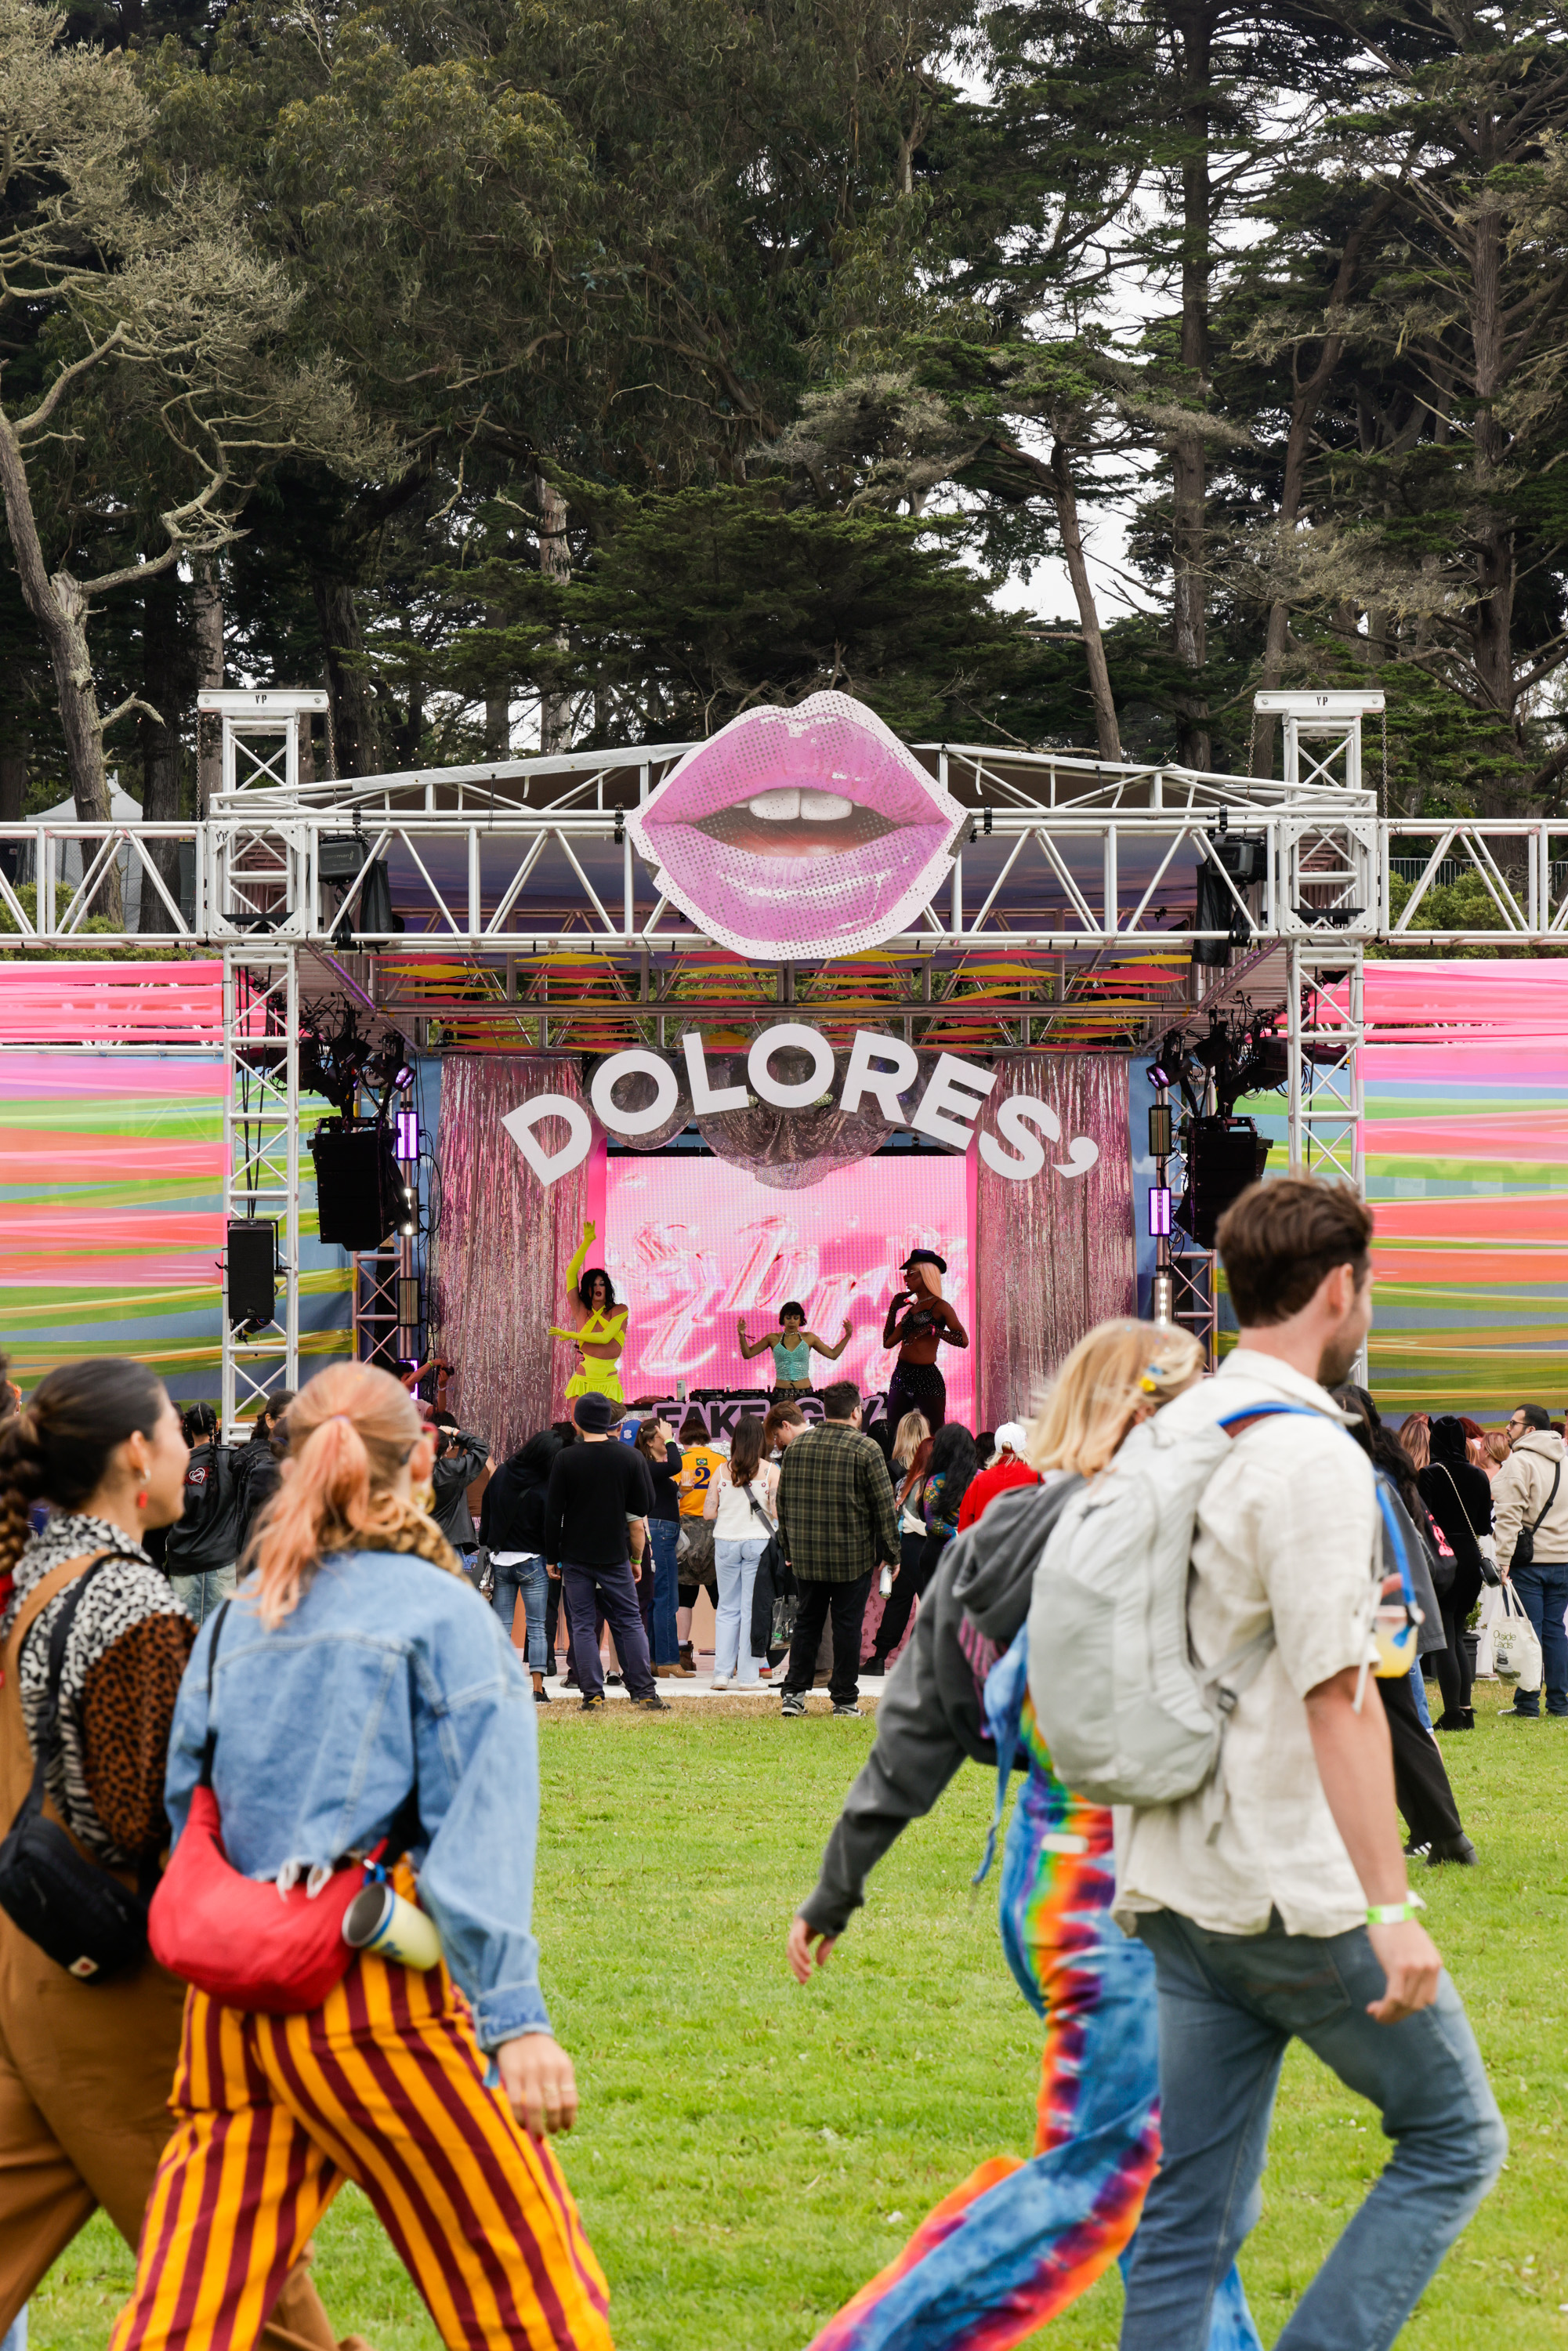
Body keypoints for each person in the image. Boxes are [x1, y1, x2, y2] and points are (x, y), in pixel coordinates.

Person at [109, 1360, 614, 2351]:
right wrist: (516, 2023)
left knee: (185, 2319)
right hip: (378, 2000)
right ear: (424, 1461)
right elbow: (480, 1840)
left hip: (233, 2013)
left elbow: (185, 1821)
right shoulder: (448, 1620)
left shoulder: (231, 1626)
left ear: (288, 1468)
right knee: (534, 2306)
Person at [788, 1321, 1265, 2351]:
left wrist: (837, 1885)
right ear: (1149, 1414)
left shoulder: (987, 1537)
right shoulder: (1143, 1534)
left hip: (1051, 1884)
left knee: (1165, 2187)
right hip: (1127, 1895)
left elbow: (919, 1727)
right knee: (1106, 2172)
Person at [1114, 1176, 1505, 2351]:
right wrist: (1389, 1904)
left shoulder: (1169, 1428)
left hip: (1176, 1872)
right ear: (1340, 1289)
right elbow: (1341, 1701)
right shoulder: (1313, 1456)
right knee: (1455, 2137)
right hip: (1290, 1882)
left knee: (1189, 2213)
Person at [0, 1360, 350, 2351]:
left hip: (33, 1965)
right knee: (245, 2276)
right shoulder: (124, 1600)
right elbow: (137, 1820)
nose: (195, 1452)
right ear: (133, 1455)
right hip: (116, 1989)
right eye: (177, 1431)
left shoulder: (43, 1572)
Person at [1334, 1390, 1478, 1865]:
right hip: (1391, 1614)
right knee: (1401, 1724)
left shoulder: (1359, 1479)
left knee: (1402, 1723)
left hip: (1377, 1616)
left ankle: (1441, 1834)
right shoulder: (1382, 1472)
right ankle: (1442, 1834)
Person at [777, 1381, 900, 1719]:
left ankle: (794, 1695)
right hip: (852, 1557)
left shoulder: (797, 1448)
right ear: (857, 1411)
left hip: (807, 1556)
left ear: (824, 1411)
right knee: (847, 1627)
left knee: (807, 1624)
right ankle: (844, 1699)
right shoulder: (867, 1449)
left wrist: (788, 1547)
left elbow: (783, 1504)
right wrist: (892, 1553)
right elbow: (883, 1508)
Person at [545, 1393, 668, 1713]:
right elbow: (644, 1505)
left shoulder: (566, 1459)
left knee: (583, 1625)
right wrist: (637, 1557)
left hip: (575, 1554)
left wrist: (551, 1556)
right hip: (616, 1553)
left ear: (577, 1422)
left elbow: (553, 1513)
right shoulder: (629, 1458)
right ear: (612, 1422)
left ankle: (592, 1694)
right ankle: (644, 1692)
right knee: (629, 1621)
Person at [863, 1422, 976, 1679]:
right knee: (936, 1605)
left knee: (909, 1603)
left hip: (914, 1546)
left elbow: (919, 1517)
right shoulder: (972, 1479)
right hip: (947, 1549)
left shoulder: (916, 1480)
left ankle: (883, 1657)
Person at [1491, 1400, 1568, 1719]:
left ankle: (1527, 1704)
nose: (1507, 1428)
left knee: (1530, 1633)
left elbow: (1508, 1517)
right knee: (1554, 1631)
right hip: (1563, 1560)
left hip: (1530, 1562)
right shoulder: (1564, 1460)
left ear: (1530, 1430)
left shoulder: (1519, 1462)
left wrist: (1503, 1559)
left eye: (1513, 1423)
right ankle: (1560, 1704)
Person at [1417, 1412, 1493, 1730]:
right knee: (1459, 1632)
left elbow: (1424, 1519)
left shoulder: (1430, 1474)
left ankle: (1452, 1713)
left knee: (1446, 1635)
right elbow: (1482, 1526)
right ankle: (1465, 1708)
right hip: (1471, 1557)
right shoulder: (1478, 1475)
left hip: (1443, 1555)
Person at [480, 1428, 564, 1701]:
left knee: (502, 1626)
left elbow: (487, 1507)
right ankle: (537, 1689)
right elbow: (549, 1525)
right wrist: (554, 1558)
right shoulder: (545, 1483)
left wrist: (489, 1543)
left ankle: (501, 1684)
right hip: (533, 1561)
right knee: (537, 1627)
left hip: (501, 1559)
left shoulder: (502, 1472)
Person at [702, 1415, 778, 1691]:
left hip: (725, 1541)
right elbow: (778, 1511)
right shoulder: (771, 1471)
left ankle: (721, 1674)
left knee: (726, 1608)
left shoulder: (721, 1472)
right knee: (750, 1609)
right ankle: (747, 1677)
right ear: (760, 1440)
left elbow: (708, 1512)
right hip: (757, 1543)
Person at [163, 1404, 246, 1625]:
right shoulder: (233, 1460)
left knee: (183, 1641)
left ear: (187, 1428)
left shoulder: (176, 1465)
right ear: (216, 1425)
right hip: (223, 1562)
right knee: (219, 1639)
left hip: (184, 1563)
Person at [881, 1252, 968, 1435]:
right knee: (894, 1430)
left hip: (927, 1377)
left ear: (926, 1275)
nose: (906, 1277)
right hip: (902, 1374)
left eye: (911, 1273)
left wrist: (933, 1330)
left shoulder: (940, 1306)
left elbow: (963, 1340)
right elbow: (888, 1343)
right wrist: (893, 1309)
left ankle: (935, 1463)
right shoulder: (912, 1310)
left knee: (935, 1432)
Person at [549, 1220, 628, 1408]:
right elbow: (570, 1273)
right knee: (581, 1431)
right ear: (588, 1288)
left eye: (601, 1284)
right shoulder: (581, 1310)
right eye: (593, 1284)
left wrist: (571, 1335)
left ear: (607, 1287)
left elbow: (605, 1337)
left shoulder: (620, 1310)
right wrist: (587, 1241)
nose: (598, 1288)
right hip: (584, 1378)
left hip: (608, 1380)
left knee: (607, 1429)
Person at [633, 1415, 687, 1677]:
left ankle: (656, 1659)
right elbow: (676, 1464)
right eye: (662, 1437)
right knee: (666, 1598)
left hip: (662, 1532)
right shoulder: (646, 1465)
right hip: (661, 1533)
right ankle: (667, 1658)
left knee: (657, 1597)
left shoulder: (653, 1468)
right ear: (649, 1441)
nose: (667, 1441)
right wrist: (671, 1439)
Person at [737, 1302, 852, 1400]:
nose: (792, 1321)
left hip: (805, 1392)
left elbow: (833, 1354)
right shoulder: (772, 1338)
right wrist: (742, 1336)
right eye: (788, 1317)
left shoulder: (809, 1338)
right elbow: (748, 1354)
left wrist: (847, 1336)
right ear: (783, 1319)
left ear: (801, 1320)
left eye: (796, 1318)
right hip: (781, 1393)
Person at [429, 1411, 492, 1571]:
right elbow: (481, 1448)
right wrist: (454, 1432)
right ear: (446, 1448)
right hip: (450, 1541)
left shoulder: (411, 1471)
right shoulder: (452, 1470)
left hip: (421, 1541)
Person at [957, 1419, 1038, 1531]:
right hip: (1028, 1547)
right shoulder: (1038, 1477)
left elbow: (964, 1528)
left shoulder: (980, 1481)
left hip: (986, 1547)